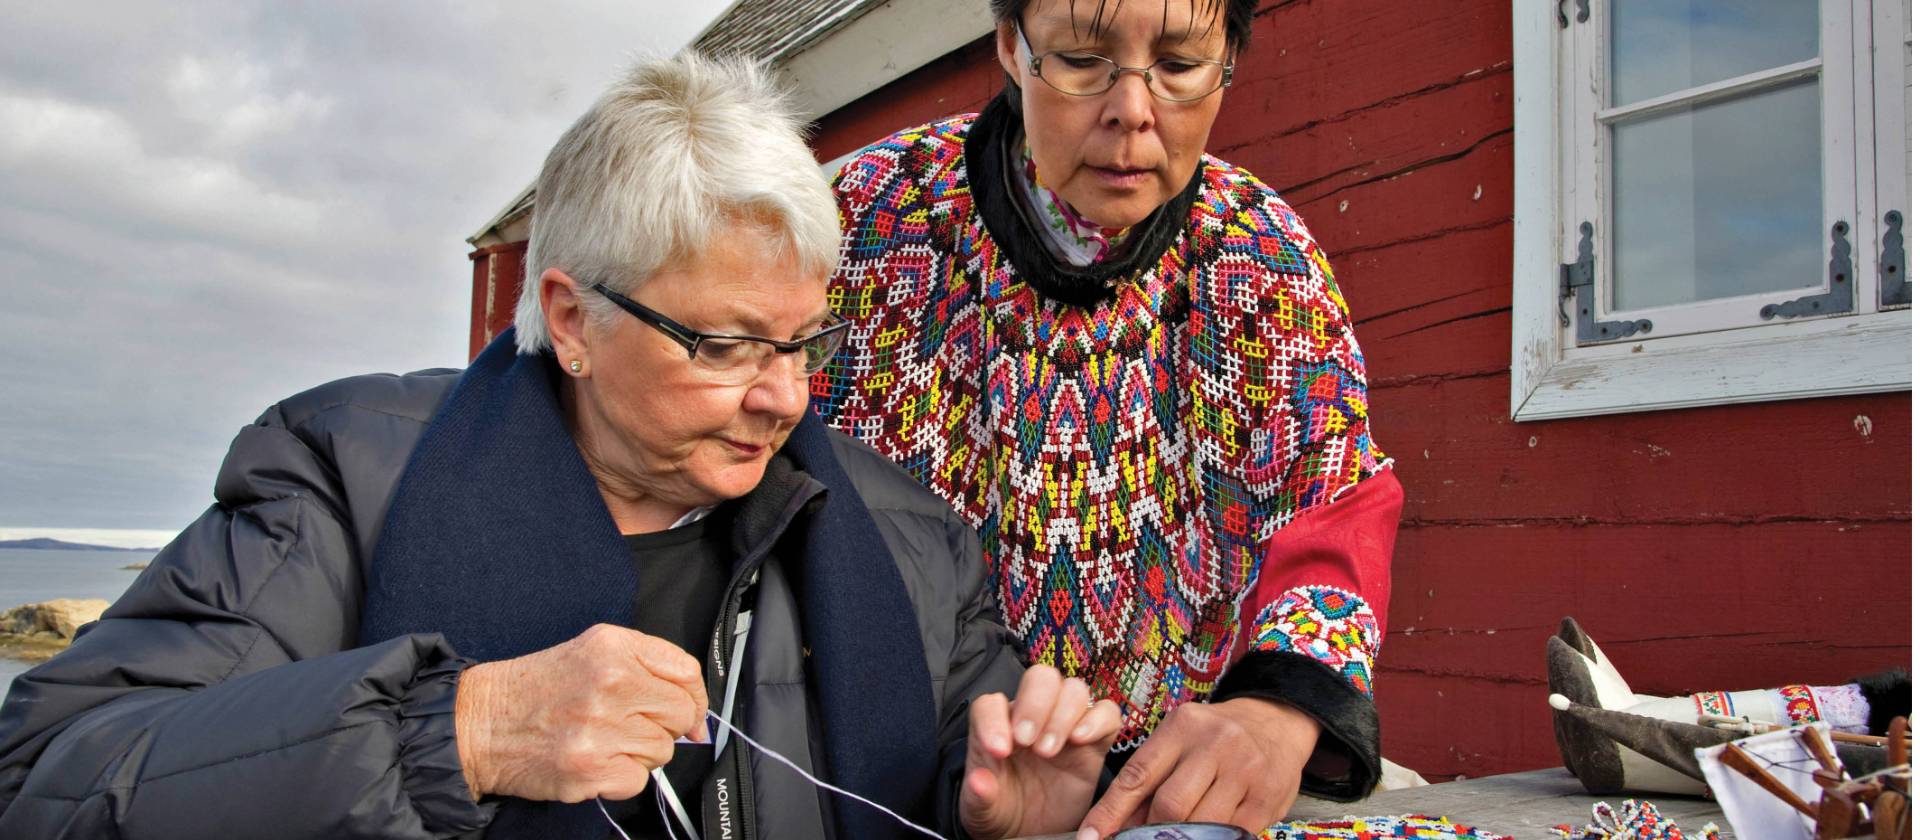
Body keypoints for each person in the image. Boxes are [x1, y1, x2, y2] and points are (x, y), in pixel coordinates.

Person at [0, 53, 1120, 840]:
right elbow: (46, 779)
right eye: (725, 346)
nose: (784, 397)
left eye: (803, 342)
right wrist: (458, 734)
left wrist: (1011, 824)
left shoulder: (914, 542)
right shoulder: (344, 482)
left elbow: (964, 783)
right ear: (574, 319)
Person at [813, 0, 1405, 834]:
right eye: (1083, 59)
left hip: (1170, 790)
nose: (1132, 109)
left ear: (1228, 64)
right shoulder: (865, 224)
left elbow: (1333, 499)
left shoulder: (1260, 254)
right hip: (900, 780)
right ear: (1012, 47)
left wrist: (1279, 709)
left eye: (1180, 65)